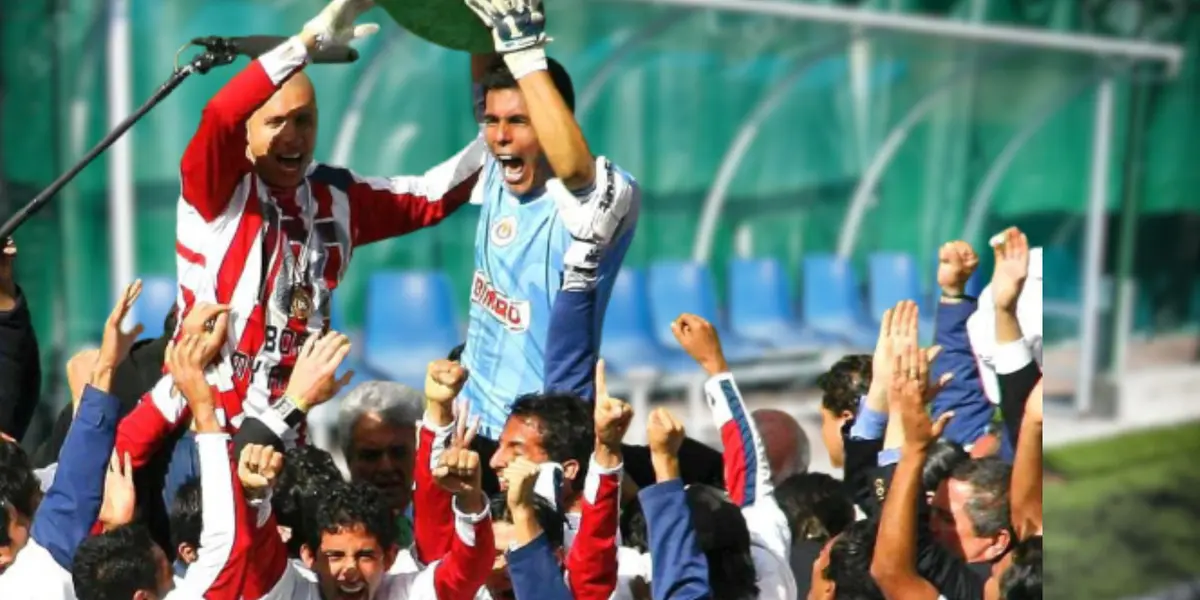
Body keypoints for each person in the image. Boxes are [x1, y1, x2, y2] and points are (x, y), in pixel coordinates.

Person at [113, 0, 489, 469]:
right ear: (247, 135)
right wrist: (306, 44)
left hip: (289, 443)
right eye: (275, 122)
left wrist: (502, 101)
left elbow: (434, 196)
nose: (292, 136)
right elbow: (219, 115)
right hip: (199, 435)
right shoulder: (216, 191)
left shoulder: (339, 198)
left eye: (304, 120)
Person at [456, 0, 640, 438]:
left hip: (540, 438)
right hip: (471, 425)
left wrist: (524, 51)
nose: (501, 135)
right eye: (493, 120)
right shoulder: (498, 168)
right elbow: (481, 51)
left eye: (520, 121)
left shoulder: (605, 197)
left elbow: (576, 170)